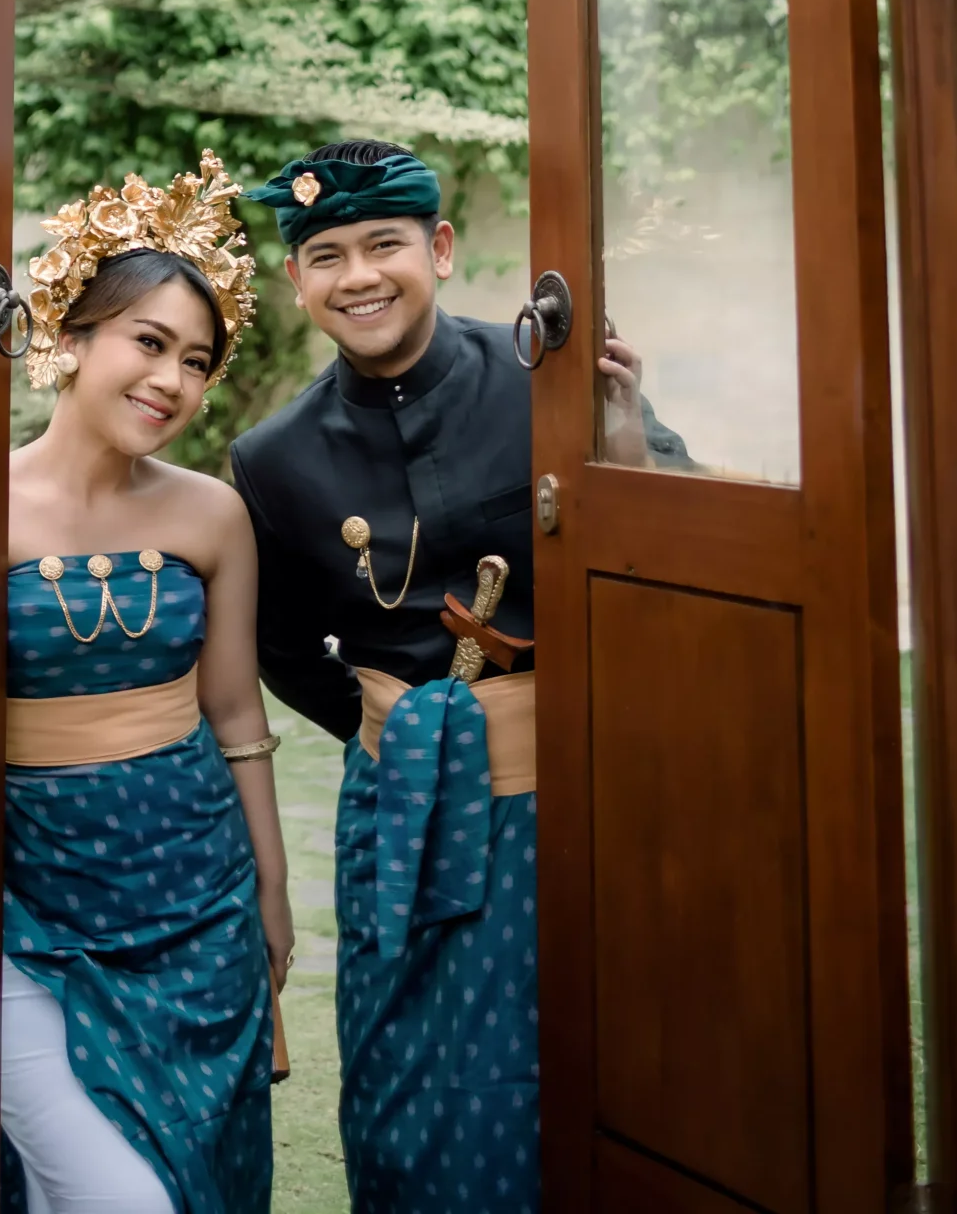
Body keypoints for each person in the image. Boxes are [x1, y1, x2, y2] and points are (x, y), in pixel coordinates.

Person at [230, 139, 687, 1214]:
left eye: (383, 244)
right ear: (295, 279)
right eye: (326, 255)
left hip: (576, 786)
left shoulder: (545, 379)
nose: (358, 276)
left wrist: (625, 437)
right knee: (409, 1081)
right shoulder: (272, 458)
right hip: (400, 804)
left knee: (599, 1057)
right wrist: (396, 725)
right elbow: (279, 646)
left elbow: (674, 544)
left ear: (437, 248)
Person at [0, 153, 291, 1214]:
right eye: (148, 342)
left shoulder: (211, 514)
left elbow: (235, 714)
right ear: (70, 338)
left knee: (194, 1177)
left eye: (196, 361)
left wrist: (269, 885)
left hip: (198, 898)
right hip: (22, 902)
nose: (172, 380)